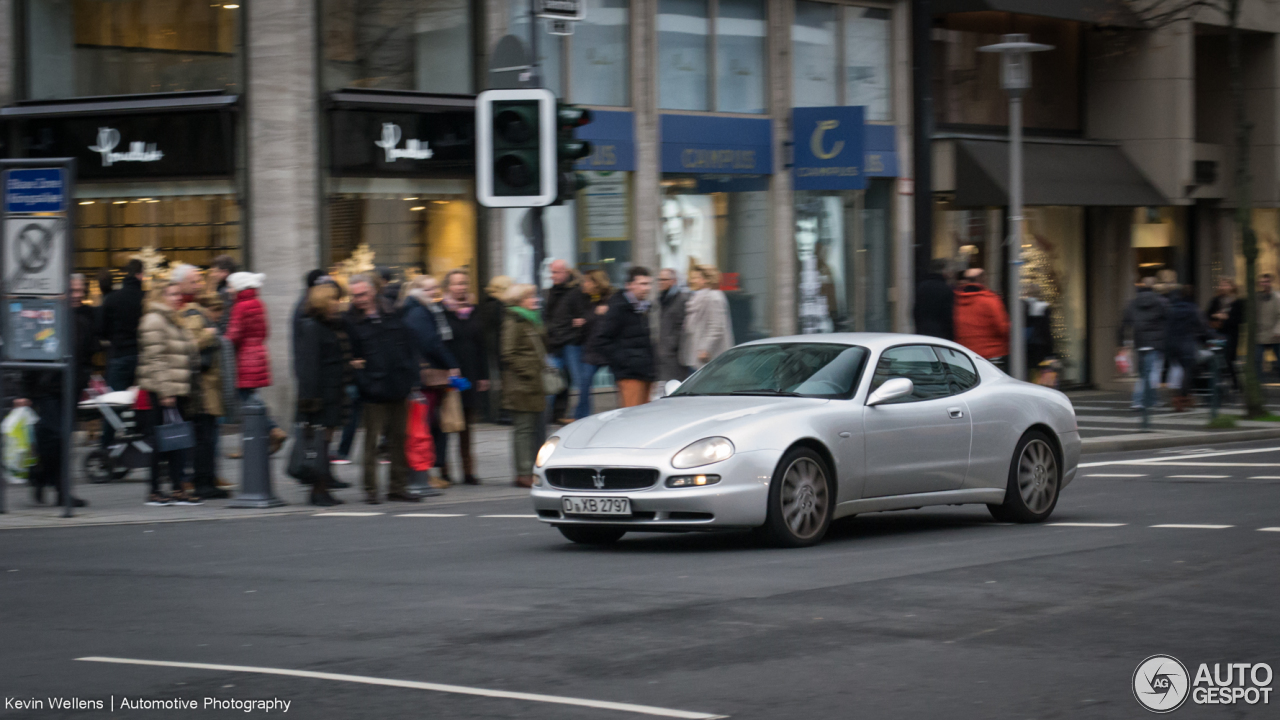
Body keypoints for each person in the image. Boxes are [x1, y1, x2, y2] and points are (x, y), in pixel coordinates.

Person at [13, 274, 95, 508]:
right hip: (47, 387)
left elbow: (88, 354)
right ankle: (44, 478)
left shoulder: (84, 318)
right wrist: (25, 391)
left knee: (62, 440)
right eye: (73, 291)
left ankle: (53, 485)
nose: (78, 295)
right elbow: (31, 354)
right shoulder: (46, 317)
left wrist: (84, 379)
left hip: (71, 388)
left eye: (81, 291)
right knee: (55, 435)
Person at [346, 274, 420, 504]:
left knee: (399, 439)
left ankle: (398, 486)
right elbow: (352, 357)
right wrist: (364, 381)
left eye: (362, 294)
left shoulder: (391, 312)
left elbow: (407, 346)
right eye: (355, 295)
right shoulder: (350, 320)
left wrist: (410, 378)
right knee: (372, 442)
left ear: (372, 291)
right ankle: (371, 488)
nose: (359, 299)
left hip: (398, 384)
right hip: (373, 389)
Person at [136, 280, 202, 506]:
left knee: (177, 441)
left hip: (178, 389)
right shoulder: (154, 320)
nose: (177, 298)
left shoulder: (174, 319)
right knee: (161, 441)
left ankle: (177, 488)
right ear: (159, 296)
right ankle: (154, 491)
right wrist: (166, 392)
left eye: (178, 294)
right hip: (161, 390)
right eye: (172, 294)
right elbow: (156, 359)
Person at [172, 265, 229, 500]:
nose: (198, 285)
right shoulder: (188, 311)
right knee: (203, 438)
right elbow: (191, 344)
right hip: (200, 387)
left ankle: (205, 480)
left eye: (199, 281)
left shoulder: (193, 308)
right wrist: (210, 334)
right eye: (194, 282)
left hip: (205, 385)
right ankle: (201, 482)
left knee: (206, 437)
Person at [296, 284, 352, 506]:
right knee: (319, 445)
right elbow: (308, 367)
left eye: (337, 299)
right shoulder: (312, 327)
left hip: (333, 394)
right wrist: (309, 404)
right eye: (332, 300)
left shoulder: (331, 325)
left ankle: (322, 488)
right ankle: (318, 491)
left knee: (325, 444)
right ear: (322, 302)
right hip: (320, 399)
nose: (337, 303)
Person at [402, 275, 460, 489]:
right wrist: (452, 363)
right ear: (417, 291)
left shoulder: (425, 309)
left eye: (435, 288)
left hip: (427, 375)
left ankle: (426, 472)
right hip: (427, 377)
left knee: (428, 425)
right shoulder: (419, 311)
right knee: (424, 426)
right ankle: (422, 474)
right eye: (428, 289)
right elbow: (430, 342)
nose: (434, 292)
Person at [225, 271, 288, 454]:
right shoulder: (259, 303)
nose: (229, 290)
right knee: (251, 399)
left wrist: (221, 340)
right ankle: (259, 439)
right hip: (258, 354)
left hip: (245, 358)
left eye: (231, 286)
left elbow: (234, 334)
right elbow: (265, 331)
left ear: (239, 287)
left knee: (248, 402)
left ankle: (272, 430)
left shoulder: (240, 306)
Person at [441, 269, 490, 485]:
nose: (461, 287)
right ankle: (443, 469)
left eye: (464, 283)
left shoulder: (475, 311)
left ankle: (468, 470)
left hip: (470, 374)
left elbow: (482, 345)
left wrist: (484, 375)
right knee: (447, 423)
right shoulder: (441, 312)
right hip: (449, 375)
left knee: (467, 427)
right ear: (448, 287)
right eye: (457, 284)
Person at [501, 284, 548, 488]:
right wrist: (528, 370)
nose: (535, 300)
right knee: (524, 429)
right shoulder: (514, 321)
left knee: (534, 428)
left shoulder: (531, 319)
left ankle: (535, 469)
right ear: (520, 300)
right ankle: (523, 472)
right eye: (530, 297)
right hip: (521, 385)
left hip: (534, 383)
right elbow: (508, 352)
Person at [598, 266, 656, 407]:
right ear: (629, 285)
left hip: (645, 372)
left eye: (648, 284)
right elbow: (603, 339)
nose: (646, 288)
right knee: (631, 418)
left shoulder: (642, 307)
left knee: (645, 417)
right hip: (629, 374)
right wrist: (624, 363)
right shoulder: (619, 307)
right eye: (642, 284)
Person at [1119, 276, 1169, 411]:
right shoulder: (1161, 301)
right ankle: (1140, 400)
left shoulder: (1133, 303)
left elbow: (1124, 324)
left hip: (1140, 342)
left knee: (1143, 373)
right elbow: (1169, 320)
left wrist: (1121, 342)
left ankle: (1149, 400)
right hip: (1157, 342)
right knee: (1153, 372)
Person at [100, 259, 145, 391]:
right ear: (140, 274)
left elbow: (102, 329)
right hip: (140, 355)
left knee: (116, 401)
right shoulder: (145, 298)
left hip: (118, 354)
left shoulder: (112, 298)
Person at [543, 259, 579, 424]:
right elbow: (548, 317)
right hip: (554, 342)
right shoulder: (552, 292)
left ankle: (560, 415)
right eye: (552, 272)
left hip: (569, 342)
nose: (553, 276)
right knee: (552, 381)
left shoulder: (575, 291)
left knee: (567, 382)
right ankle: (546, 416)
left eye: (556, 272)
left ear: (566, 272)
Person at [680, 265, 734, 372]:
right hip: (696, 356)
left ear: (705, 280)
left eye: (696, 278)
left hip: (709, 358)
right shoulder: (697, 297)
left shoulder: (714, 297)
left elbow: (717, 327)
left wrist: (705, 349)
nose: (692, 280)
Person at [576, 270, 614, 419]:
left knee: (620, 381)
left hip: (606, 349)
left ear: (596, 283)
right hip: (592, 349)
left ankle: (627, 412)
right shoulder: (588, 300)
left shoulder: (610, 300)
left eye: (587, 281)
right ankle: (581, 417)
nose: (584, 284)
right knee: (584, 384)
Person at [953, 268, 1010, 366]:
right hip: (992, 354)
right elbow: (1003, 328)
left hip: (965, 354)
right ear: (982, 280)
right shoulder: (990, 300)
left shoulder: (956, 300)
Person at [1166, 285, 1209, 412]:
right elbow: (1203, 327)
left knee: (1182, 371)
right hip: (1187, 345)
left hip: (1173, 345)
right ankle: (1180, 397)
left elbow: (1168, 328)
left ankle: (1188, 397)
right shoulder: (1193, 309)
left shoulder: (1172, 309)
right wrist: (1214, 337)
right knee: (1188, 371)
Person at [478, 275, 513, 424]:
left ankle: (495, 413)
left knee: (497, 382)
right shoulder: (498, 306)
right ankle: (503, 414)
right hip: (499, 349)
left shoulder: (487, 304)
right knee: (505, 383)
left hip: (490, 350)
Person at [1206, 277, 1243, 391]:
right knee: (1216, 358)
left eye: (1226, 285)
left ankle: (1235, 384)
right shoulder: (1216, 301)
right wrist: (1217, 316)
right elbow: (1207, 315)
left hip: (1231, 335)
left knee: (1229, 359)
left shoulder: (1237, 302)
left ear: (1232, 287)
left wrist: (1225, 318)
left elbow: (1238, 319)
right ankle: (1218, 384)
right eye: (1222, 285)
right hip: (1217, 334)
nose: (1223, 287)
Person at [655, 268, 688, 383]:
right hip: (662, 354)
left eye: (664, 279)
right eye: (659, 279)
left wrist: (671, 343)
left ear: (673, 281)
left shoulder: (680, 299)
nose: (660, 282)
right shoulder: (662, 299)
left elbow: (682, 326)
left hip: (674, 356)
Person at [914, 258, 955, 340]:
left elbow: (915, 311)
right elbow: (948, 316)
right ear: (944, 271)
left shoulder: (921, 286)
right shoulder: (946, 289)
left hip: (922, 331)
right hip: (940, 334)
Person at [1024, 285, 1054, 379]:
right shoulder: (1044, 307)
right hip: (1041, 346)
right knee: (1040, 371)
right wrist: (1051, 351)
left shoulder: (1023, 306)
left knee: (1029, 371)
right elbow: (1046, 331)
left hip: (1026, 346)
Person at [1255, 274, 1280, 381]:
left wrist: (1278, 330)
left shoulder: (1277, 297)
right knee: (1257, 360)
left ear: (1270, 283)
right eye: (1263, 282)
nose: (1265, 284)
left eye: (1267, 282)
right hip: (1261, 334)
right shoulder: (1257, 298)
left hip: (1274, 334)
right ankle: (1259, 383)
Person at [208, 255, 238, 333]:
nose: (212, 275)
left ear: (225, 272)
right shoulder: (228, 290)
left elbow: (224, 321)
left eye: (215, 271)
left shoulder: (225, 293)